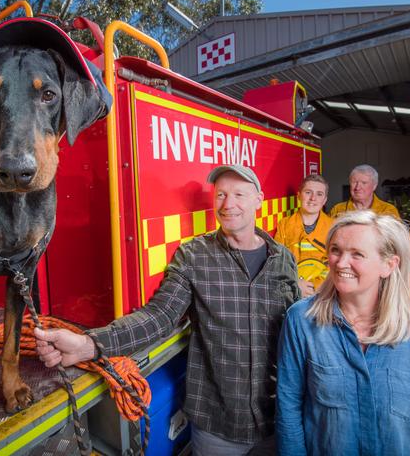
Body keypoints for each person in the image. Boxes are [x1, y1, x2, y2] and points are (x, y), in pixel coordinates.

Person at [35, 164, 300, 455]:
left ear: (259, 199)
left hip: (277, 420)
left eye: (239, 194)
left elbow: (296, 335)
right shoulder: (194, 256)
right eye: (221, 194)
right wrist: (89, 345)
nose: (228, 204)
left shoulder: (283, 259)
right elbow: (158, 316)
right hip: (217, 426)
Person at [275, 210, 410, 455]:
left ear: (389, 265)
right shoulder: (302, 320)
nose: (340, 263)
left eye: (357, 254)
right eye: (336, 250)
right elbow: (289, 408)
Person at [275, 174, 333, 296]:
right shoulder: (285, 225)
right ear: (299, 195)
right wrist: (296, 283)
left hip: (324, 293)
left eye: (319, 194)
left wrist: (316, 287)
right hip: (292, 292)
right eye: (308, 192)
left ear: (325, 200)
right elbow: (278, 261)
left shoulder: (333, 227)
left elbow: (335, 263)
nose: (313, 198)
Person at [329, 164, 400, 218]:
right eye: (354, 182)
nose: (357, 187)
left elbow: (396, 237)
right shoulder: (337, 210)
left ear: (374, 186)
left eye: (364, 183)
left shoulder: (388, 210)